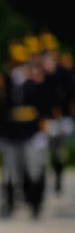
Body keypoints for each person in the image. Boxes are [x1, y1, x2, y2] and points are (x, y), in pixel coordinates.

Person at [0, 41, 48, 219]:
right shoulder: (7, 84)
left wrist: (41, 129)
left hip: (31, 131)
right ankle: (9, 203)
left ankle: (35, 203)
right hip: (12, 133)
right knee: (10, 172)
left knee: (33, 170)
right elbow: (2, 110)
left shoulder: (36, 83)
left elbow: (43, 106)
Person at [39, 31, 70, 195]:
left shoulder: (63, 72)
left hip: (60, 117)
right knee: (42, 153)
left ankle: (58, 178)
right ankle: (42, 183)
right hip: (44, 118)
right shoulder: (39, 74)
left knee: (58, 152)